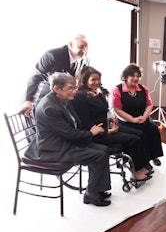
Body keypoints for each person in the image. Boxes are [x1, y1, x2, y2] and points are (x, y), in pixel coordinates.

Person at [24, 72, 112, 207]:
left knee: (104, 149)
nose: (74, 91)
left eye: (75, 88)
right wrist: (90, 133)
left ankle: (97, 188)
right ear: (57, 89)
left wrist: (89, 131)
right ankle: (91, 194)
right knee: (98, 154)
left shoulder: (63, 99)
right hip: (53, 149)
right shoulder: (50, 108)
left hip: (65, 142)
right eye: (70, 88)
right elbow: (69, 134)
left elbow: (75, 124)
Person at [72, 66, 152, 182]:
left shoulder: (97, 93)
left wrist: (111, 120)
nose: (97, 82)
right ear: (84, 80)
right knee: (134, 139)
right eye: (93, 80)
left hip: (106, 127)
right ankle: (136, 171)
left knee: (139, 134)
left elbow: (104, 111)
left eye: (98, 79)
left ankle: (141, 165)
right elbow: (85, 123)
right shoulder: (80, 97)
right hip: (97, 134)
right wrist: (107, 131)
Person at [20, 34, 89, 116]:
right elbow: (36, 77)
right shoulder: (52, 55)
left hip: (63, 99)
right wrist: (29, 100)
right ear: (70, 45)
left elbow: (86, 77)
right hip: (44, 98)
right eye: (81, 47)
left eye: (86, 48)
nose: (84, 51)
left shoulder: (85, 60)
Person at [110, 63, 163, 167]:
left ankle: (153, 156)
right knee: (139, 133)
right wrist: (133, 119)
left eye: (138, 76)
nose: (136, 78)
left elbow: (149, 105)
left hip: (142, 117)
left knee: (153, 129)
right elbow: (117, 110)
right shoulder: (117, 90)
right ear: (125, 76)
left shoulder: (143, 89)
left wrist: (144, 117)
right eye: (132, 76)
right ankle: (142, 161)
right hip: (125, 120)